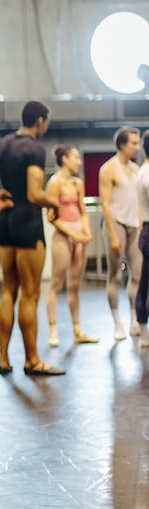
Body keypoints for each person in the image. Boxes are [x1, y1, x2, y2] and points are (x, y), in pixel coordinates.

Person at [0, 100, 64, 376]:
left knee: (9, 291)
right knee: (30, 294)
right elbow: (34, 194)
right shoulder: (35, 149)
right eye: (47, 123)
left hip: (5, 221)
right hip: (28, 223)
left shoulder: (3, 144)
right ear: (40, 121)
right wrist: (55, 204)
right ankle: (32, 360)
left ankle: (4, 358)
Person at [45, 145, 97, 347]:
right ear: (65, 159)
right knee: (57, 284)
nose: (79, 161)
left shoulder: (77, 183)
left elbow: (82, 211)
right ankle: (53, 329)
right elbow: (51, 218)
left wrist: (87, 232)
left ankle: (77, 329)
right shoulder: (55, 183)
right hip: (63, 236)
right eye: (76, 157)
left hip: (79, 236)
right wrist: (74, 234)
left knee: (74, 285)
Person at [98, 126, 143, 341]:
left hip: (135, 225)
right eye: (133, 143)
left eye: (138, 142)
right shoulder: (108, 169)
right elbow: (105, 204)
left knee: (137, 274)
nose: (137, 146)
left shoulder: (136, 169)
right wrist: (112, 235)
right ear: (122, 145)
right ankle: (117, 323)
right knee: (115, 275)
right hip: (116, 223)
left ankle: (134, 317)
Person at [134, 130, 149, 347]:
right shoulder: (146, 173)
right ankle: (144, 333)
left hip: (146, 229)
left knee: (145, 283)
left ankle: (144, 333)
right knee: (146, 285)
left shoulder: (142, 171)